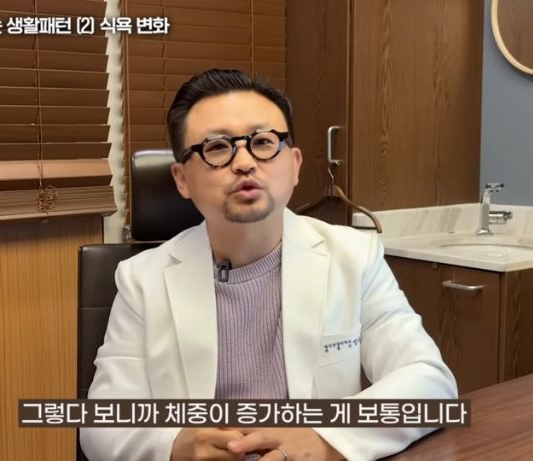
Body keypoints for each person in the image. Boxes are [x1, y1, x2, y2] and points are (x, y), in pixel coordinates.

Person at [80, 69, 457, 461]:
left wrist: (327, 439)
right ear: (182, 179)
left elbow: (430, 384)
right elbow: (103, 424)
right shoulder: (142, 279)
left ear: (294, 165)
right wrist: (174, 446)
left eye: (262, 142)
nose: (244, 162)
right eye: (217, 147)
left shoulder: (354, 256)